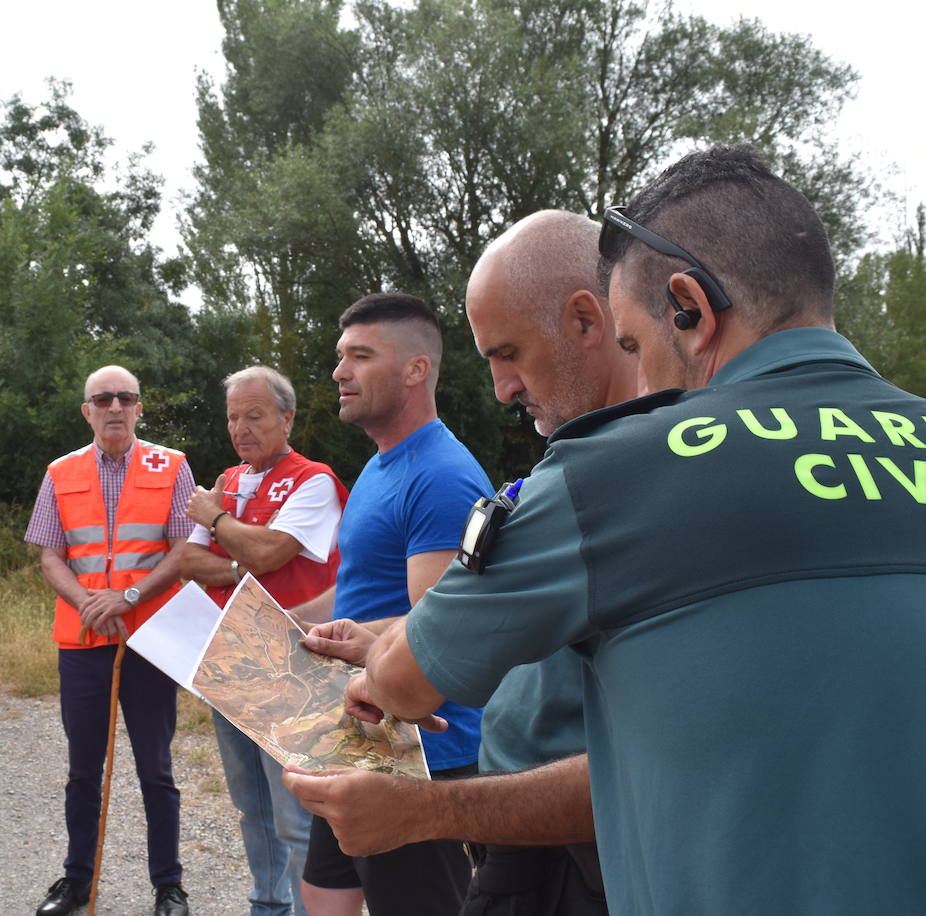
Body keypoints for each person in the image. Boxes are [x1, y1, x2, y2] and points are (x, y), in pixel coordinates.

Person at [350, 145, 926, 914]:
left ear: (689, 307)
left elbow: (406, 685)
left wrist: (379, 678)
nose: (643, 378)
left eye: (632, 343)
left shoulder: (619, 470)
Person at [288, 211, 634, 915]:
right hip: (399, 732)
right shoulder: (382, 468)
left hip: (436, 756)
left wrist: (389, 659)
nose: (504, 386)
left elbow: (429, 636)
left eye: (509, 352)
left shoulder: (461, 475)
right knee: (326, 891)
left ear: (587, 320)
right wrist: (307, 628)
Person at [292, 293, 492, 916]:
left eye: (359, 355)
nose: (339, 372)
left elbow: (440, 622)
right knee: (325, 895)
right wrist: (284, 625)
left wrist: (342, 637)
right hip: (357, 731)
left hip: (419, 751)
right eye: (338, 356)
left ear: (415, 369)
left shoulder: (441, 474)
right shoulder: (383, 465)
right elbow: (361, 590)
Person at [25, 365, 196, 916]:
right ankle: (77, 881)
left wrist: (128, 595)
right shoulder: (59, 471)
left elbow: (184, 552)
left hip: (149, 639)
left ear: (140, 407)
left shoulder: (172, 466)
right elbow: (50, 555)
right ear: (88, 410)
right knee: (82, 769)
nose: (115, 407)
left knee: (156, 768)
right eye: (104, 399)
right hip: (81, 639)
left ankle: (168, 886)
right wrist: (87, 602)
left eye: (126, 397)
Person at [180, 366, 347, 916]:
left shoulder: (313, 479)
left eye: (254, 415)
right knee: (250, 806)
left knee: (295, 814)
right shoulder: (227, 478)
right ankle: (266, 906)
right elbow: (189, 559)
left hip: (290, 664)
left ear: (286, 417)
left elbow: (273, 552)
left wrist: (218, 520)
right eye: (233, 417)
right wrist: (240, 555)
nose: (241, 427)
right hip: (229, 657)